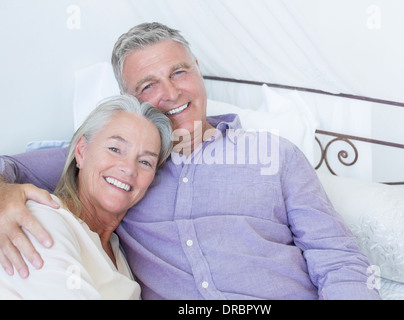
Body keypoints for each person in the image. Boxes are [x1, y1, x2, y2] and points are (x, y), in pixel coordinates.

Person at [0, 22, 381, 299]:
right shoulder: (121, 164)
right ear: (130, 99)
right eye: (147, 85)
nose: (169, 93)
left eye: (178, 72)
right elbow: (12, 167)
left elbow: (338, 260)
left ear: (198, 69)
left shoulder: (275, 156)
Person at [0, 94, 173, 299]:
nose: (128, 169)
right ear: (81, 152)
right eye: (115, 149)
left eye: (145, 162)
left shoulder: (118, 252)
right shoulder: (43, 220)